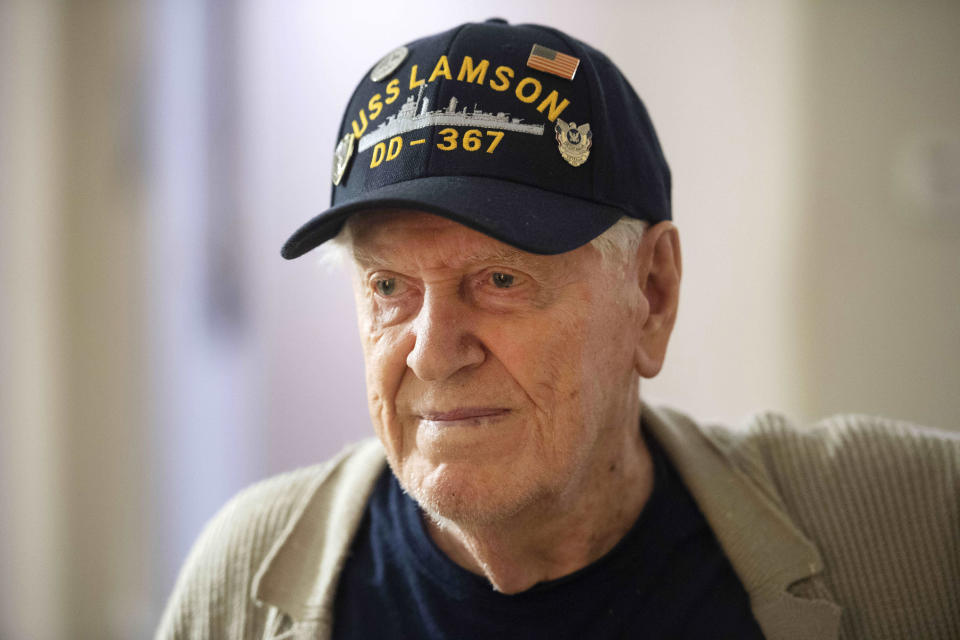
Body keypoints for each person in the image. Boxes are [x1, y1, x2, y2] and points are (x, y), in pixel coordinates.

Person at [157, 19, 960, 640]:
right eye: (389, 287)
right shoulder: (244, 575)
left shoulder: (902, 532)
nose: (434, 351)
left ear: (653, 291)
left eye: (501, 280)